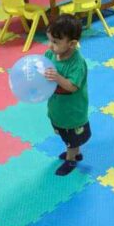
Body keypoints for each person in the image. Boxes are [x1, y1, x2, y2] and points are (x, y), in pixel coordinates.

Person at [44, 14, 90, 176]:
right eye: (49, 40)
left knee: (71, 135)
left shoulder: (77, 63)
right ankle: (75, 151)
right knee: (64, 132)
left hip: (72, 110)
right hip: (57, 107)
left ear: (72, 44)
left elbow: (71, 86)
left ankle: (71, 159)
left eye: (55, 42)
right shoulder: (51, 54)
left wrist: (57, 77)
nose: (50, 46)